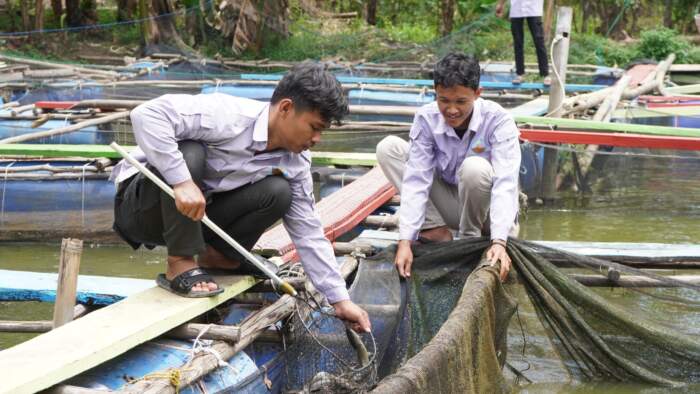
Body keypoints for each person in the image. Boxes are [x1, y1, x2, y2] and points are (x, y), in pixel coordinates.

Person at [110, 63, 371, 333]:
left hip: (200, 217)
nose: (317, 138)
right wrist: (182, 180)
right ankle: (180, 263)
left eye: (322, 131)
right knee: (190, 151)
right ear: (285, 109)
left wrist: (339, 299)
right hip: (144, 208)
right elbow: (145, 115)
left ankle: (220, 257)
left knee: (279, 192)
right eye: (314, 127)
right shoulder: (227, 116)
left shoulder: (296, 161)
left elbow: (308, 231)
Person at [376, 53, 521, 282]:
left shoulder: (498, 120)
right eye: (444, 100)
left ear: (477, 94)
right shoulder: (426, 118)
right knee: (389, 148)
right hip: (453, 206)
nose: (451, 110)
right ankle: (434, 229)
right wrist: (406, 240)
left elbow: (506, 182)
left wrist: (500, 241)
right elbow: (416, 179)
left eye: (461, 102)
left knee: (475, 168)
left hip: (487, 216)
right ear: (435, 92)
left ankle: (468, 242)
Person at [496, 0, 551, 85]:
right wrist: (501, 4)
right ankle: (520, 74)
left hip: (534, 8)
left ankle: (545, 74)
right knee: (518, 43)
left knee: (539, 41)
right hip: (516, 8)